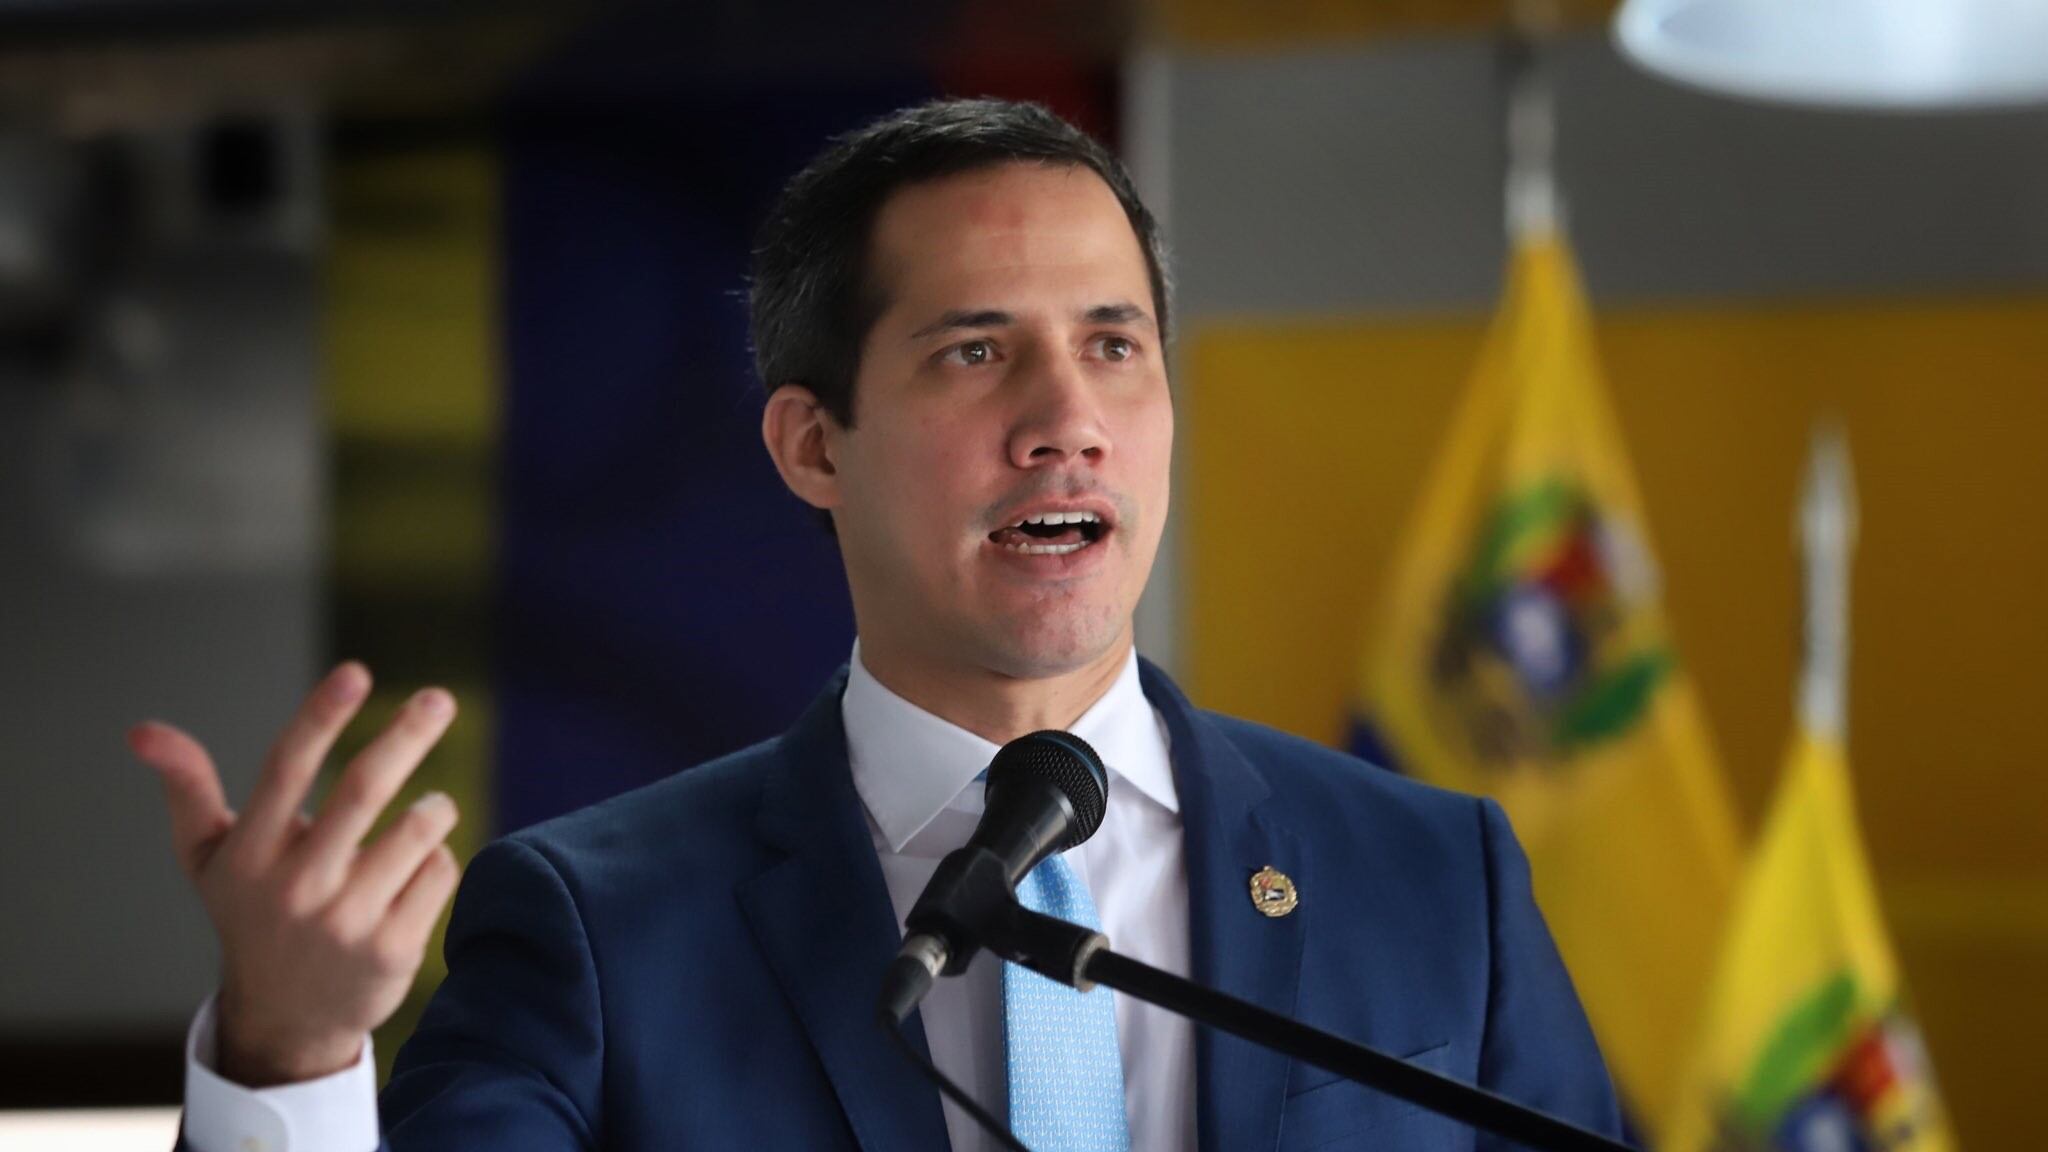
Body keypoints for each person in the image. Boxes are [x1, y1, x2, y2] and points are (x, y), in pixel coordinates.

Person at [131, 98, 1622, 1152]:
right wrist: (290, 1054)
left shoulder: (1438, 881)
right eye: (977, 352)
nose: (1068, 420)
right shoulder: (597, 928)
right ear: (812, 446)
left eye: (1115, 345)